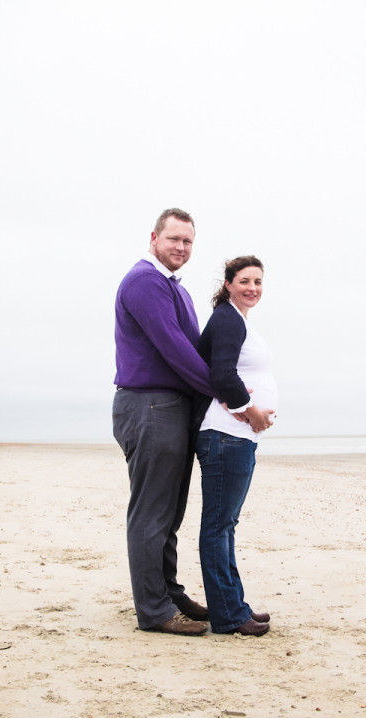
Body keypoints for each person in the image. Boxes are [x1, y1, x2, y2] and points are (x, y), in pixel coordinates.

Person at [112, 210, 272, 637]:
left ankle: (170, 595)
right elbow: (176, 352)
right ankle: (154, 611)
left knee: (169, 514)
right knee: (151, 514)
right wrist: (229, 398)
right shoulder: (145, 282)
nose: (181, 247)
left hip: (172, 408)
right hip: (149, 406)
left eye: (188, 241)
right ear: (153, 237)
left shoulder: (171, 286)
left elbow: (193, 350)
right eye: (174, 239)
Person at [195, 255, 278, 637]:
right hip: (225, 434)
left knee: (225, 525)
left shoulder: (238, 319)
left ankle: (235, 606)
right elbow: (221, 372)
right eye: (245, 280)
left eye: (258, 282)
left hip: (235, 437)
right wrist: (250, 410)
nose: (252, 288)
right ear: (228, 283)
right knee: (218, 527)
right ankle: (228, 616)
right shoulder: (227, 318)